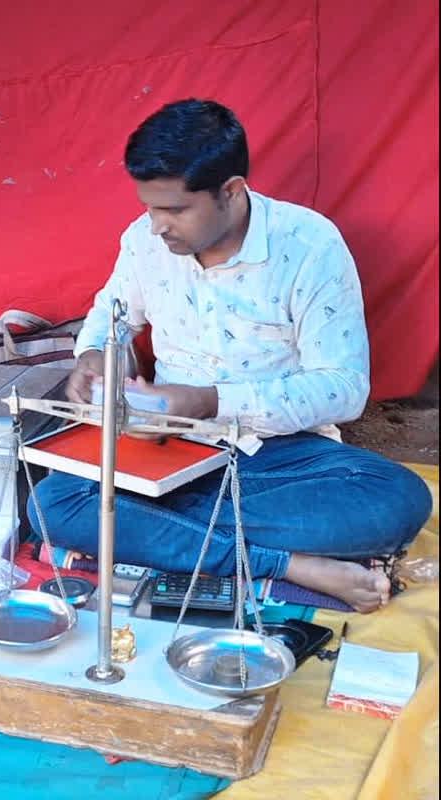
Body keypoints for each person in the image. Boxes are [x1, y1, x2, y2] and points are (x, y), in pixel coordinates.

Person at [34, 99, 432, 613]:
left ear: (231, 191)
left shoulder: (309, 245)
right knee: (54, 502)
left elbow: (344, 389)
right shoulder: (142, 241)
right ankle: (288, 564)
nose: (157, 226)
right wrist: (95, 355)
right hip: (169, 448)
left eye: (174, 209)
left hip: (280, 457)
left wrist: (207, 401)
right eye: (149, 207)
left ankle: (165, 529)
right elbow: (111, 318)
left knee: (396, 502)